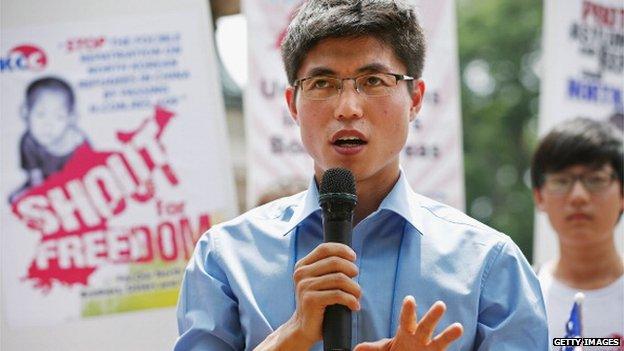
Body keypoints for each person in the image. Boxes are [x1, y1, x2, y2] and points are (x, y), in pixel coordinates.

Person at [175, 1, 547, 350]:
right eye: (323, 83)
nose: (348, 108)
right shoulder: (224, 258)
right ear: (292, 104)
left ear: (415, 98)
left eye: (373, 81)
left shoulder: (490, 264)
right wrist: (291, 335)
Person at [532, 118, 623, 348]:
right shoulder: (521, 297)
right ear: (539, 197)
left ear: (622, 193)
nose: (578, 196)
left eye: (596, 180)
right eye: (561, 181)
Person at [8, 76, 87, 203]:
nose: (48, 125)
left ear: (72, 118)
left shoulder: (77, 142)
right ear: (25, 112)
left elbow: (85, 176)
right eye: (40, 115)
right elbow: (35, 179)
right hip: (43, 184)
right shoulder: (29, 141)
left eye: (59, 117)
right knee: (16, 200)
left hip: (73, 185)